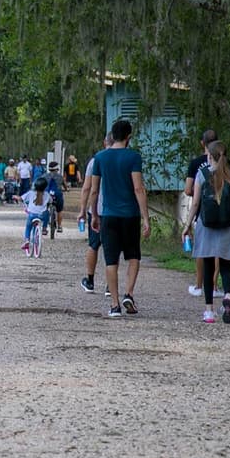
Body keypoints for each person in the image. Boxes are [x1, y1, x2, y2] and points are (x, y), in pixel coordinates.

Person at [182, 140, 230, 324]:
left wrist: (187, 225)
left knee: (208, 267)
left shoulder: (202, 174)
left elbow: (195, 203)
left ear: (209, 156)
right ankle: (227, 296)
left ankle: (209, 311)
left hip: (206, 225)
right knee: (225, 266)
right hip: (228, 225)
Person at [86, 120, 151, 318]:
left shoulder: (100, 158)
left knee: (110, 260)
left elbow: (94, 190)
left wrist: (94, 214)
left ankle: (114, 305)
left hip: (108, 215)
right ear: (129, 137)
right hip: (130, 215)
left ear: (112, 136)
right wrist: (146, 218)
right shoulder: (133, 157)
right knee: (133, 256)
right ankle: (128, 294)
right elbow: (138, 188)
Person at [184, 129, 222, 298]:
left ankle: (199, 285)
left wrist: (201, 192)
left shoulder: (196, 163)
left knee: (202, 249)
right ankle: (214, 286)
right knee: (217, 250)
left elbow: (188, 190)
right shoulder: (224, 162)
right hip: (221, 211)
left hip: (202, 212)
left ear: (202, 143)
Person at [77, 133, 113, 294]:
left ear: (105, 142)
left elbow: (87, 188)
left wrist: (82, 210)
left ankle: (90, 281)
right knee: (111, 247)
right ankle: (109, 285)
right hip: (116, 210)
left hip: (97, 209)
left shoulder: (95, 160)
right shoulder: (125, 159)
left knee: (94, 245)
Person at [21, 177, 52, 255]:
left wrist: (16, 197)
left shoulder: (30, 193)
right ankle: (44, 228)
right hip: (42, 216)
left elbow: (21, 198)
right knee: (47, 212)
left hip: (32, 215)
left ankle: (27, 240)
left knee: (28, 227)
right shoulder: (47, 195)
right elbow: (51, 201)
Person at [42, 160, 66, 229]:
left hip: (47, 195)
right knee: (59, 210)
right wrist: (66, 189)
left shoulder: (44, 176)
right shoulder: (60, 177)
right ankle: (59, 226)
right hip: (57, 195)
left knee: (45, 209)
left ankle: (44, 227)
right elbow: (64, 185)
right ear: (57, 169)